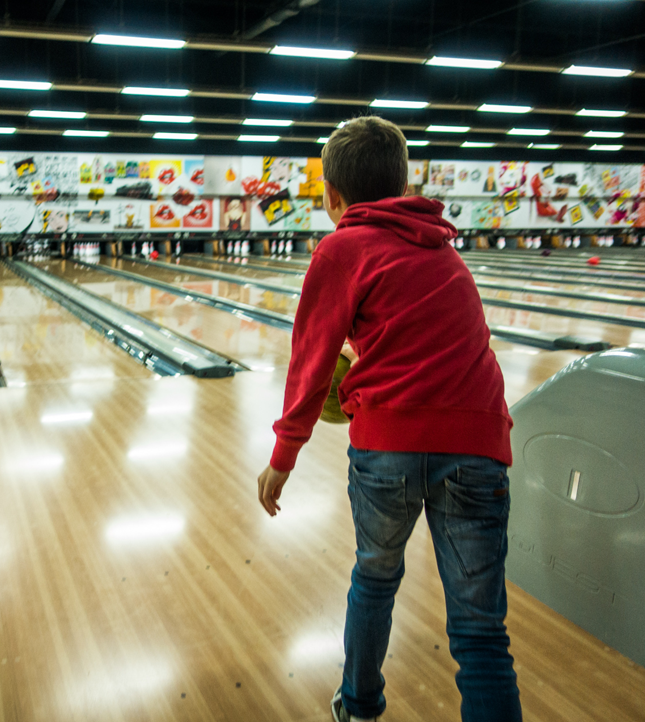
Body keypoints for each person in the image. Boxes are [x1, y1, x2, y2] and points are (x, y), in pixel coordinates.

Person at [256, 116, 521, 722]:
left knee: (375, 580)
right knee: (481, 633)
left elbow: (310, 361)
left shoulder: (341, 247)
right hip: (478, 444)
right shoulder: (444, 248)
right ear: (403, 185)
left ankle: (360, 706)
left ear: (332, 196)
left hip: (389, 447)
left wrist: (282, 457)